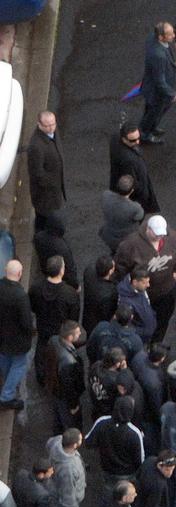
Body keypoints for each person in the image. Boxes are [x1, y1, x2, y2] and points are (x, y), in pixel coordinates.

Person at [115, 214, 176, 343]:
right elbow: (120, 268)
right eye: (156, 234)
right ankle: (144, 344)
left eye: (162, 234)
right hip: (143, 295)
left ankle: (157, 344)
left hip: (167, 289)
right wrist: (129, 287)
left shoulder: (172, 237)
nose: (160, 237)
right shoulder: (130, 245)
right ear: (148, 229)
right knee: (143, 323)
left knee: (163, 320)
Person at [29, 255, 80, 385]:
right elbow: (73, 317)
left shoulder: (36, 288)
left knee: (41, 350)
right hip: (61, 330)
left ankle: (41, 377)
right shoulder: (69, 293)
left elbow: (32, 307)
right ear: (61, 271)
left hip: (43, 325)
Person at [139, 22, 176, 144]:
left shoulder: (153, 39)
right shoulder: (159, 56)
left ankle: (151, 127)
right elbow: (159, 81)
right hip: (156, 93)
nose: (173, 35)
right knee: (154, 112)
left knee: (151, 111)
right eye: (170, 34)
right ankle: (145, 134)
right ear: (161, 37)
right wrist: (172, 94)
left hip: (150, 88)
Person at [0, 260, 32, 411]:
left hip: (2, 336)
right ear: (20, 274)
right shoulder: (20, 296)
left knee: (5, 360)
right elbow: (26, 321)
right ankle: (7, 395)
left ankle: (8, 383)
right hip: (17, 338)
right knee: (19, 365)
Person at [26, 110, 65, 231]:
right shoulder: (36, 146)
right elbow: (37, 174)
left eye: (53, 124)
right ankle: (40, 237)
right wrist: (53, 183)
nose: (51, 128)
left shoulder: (52, 132)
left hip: (54, 189)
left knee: (50, 216)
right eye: (47, 126)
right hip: (45, 194)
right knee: (43, 218)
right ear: (39, 125)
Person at [109, 122, 159, 213]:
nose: (137, 142)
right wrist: (144, 194)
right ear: (123, 139)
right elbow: (133, 182)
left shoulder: (115, 138)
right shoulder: (129, 160)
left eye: (138, 138)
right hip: (137, 198)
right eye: (133, 140)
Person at [44, 320, 85, 433]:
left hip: (55, 388)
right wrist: (74, 405)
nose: (80, 334)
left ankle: (57, 433)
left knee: (57, 415)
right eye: (77, 333)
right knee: (70, 421)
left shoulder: (54, 340)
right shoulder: (69, 362)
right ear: (70, 337)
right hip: (64, 396)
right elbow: (69, 387)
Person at [99, 175, 144, 254]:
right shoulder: (135, 207)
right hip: (127, 238)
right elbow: (139, 217)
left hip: (109, 234)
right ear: (132, 190)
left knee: (114, 250)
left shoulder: (106, 195)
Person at [82, 256, 118, 335]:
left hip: (88, 317)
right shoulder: (109, 292)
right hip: (99, 324)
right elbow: (108, 313)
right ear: (109, 271)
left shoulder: (89, 271)